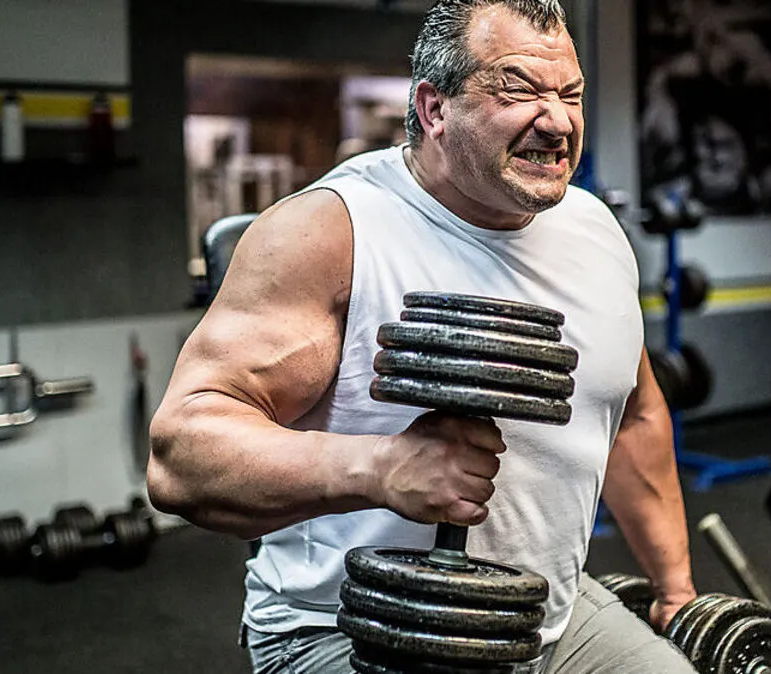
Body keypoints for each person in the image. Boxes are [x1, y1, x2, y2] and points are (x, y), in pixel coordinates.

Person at [147, 1, 698, 672]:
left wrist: (675, 592)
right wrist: (379, 468)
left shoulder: (596, 232)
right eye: (519, 89)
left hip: (541, 615)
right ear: (434, 109)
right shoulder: (332, 233)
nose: (557, 122)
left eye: (571, 96)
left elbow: (633, 413)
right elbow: (181, 458)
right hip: (348, 624)